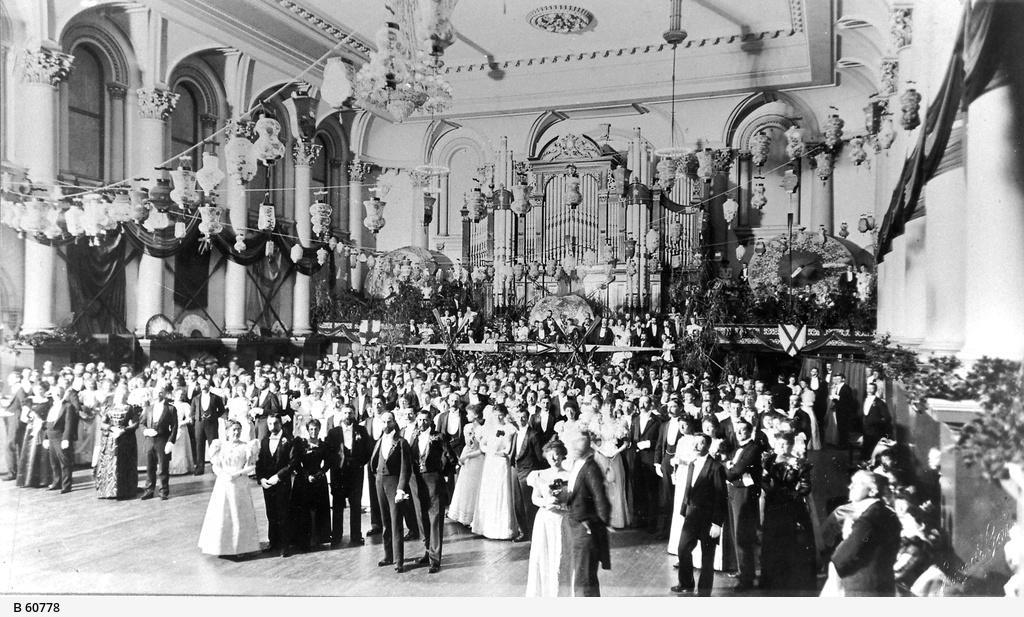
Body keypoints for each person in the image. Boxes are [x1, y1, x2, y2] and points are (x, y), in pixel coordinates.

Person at [823, 470, 902, 596]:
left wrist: (847, 538)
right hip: (882, 587)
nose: (850, 486)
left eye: (857, 483)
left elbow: (840, 559)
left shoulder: (869, 519)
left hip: (863, 589)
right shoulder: (886, 513)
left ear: (872, 491)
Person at [760, 432, 817, 595]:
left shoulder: (800, 463)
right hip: (773, 505)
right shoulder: (770, 460)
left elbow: (806, 487)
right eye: (779, 444)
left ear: (792, 445)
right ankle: (772, 580)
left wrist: (793, 495)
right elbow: (763, 479)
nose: (783, 448)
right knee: (772, 541)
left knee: (791, 542)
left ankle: (790, 580)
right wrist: (770, 490)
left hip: (792, 506)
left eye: (786, 444)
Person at [671, 433, 728, 597]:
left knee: (707, 558)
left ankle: (704, 593)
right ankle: (686, 584)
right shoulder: (692, 464)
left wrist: (717, 523)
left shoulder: (716, 467)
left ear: (708, 446)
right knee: (683, 549)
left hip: (708, 519)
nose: (695, 446)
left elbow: (720, 497)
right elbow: (688, 489)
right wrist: (684, 510)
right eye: (694, 443)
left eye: (700, 444)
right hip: (691, 516)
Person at [197, 420, 261, 557]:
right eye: (233, 429)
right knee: (223, 513)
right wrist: (223, 474)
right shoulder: (220, 446)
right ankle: (222, 547)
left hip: (239, 483)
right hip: (224, 482)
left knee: (239, 514)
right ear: (227, 431)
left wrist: (237, 474)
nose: (236, 432)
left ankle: (240, 548)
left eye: (238, 429)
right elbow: (215, 465)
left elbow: (251, 466)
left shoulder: (247, 447)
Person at [564, 428, 611, 597]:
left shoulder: (591, 467)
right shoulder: (578, 464)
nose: (575, 446)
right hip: (576, 526)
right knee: (583, 574)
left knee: (585, 577)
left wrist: (597, 525)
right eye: (574, 442)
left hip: (586, 528)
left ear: (587, 446)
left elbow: (600, 499)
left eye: (580, 443)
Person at [525, 439, 572, 597]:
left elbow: (575, 498)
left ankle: (564, 594)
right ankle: (546, 593)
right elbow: (534, 498)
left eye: (557, 455)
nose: (554, 458)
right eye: (551, 455)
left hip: (564, 519)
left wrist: (566, 504)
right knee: (545, 554)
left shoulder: (569, 475)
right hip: (545, 520)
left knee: (562, 554)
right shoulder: (540, 475)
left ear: (563, 456)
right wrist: (546, 503)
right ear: (546, 456)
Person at [408, 410, 451, 573]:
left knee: (435, 518)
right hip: (416, 481)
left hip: (433, 479)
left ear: (431, 421)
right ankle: (427, 551)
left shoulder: (439, 436)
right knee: (421, 516)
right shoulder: (413, 436)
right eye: (419, 420)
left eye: (425, 420)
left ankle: (435, 559)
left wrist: (441, 474)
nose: (422, 423)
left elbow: (449, 457)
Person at [370, 411, 412, 572]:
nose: (386, 425)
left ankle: (398, 560)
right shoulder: (380, 440)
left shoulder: (401, 442)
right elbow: (373, 463)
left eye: (389, 421)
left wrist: (401, 489)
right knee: (385, 521)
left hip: (394, 484)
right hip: (380, 482)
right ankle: (388, 555)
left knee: (396, 522)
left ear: (394, 423)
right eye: (384, 422)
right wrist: (377, 477)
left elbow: (405, 468)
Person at [324, 403, 371, 547]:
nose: (348, 416)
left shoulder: (361, 430)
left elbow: (368, 450)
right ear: (341, 415)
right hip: (339, 472)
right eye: (345, 413)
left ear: (354, 414)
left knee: (355, 504)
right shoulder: (334, 433)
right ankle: (336, 536)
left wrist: (359, 463)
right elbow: (328, 452)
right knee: (338, 504)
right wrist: (336, 464)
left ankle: (356, 536)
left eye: (350, 413)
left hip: (355, 472)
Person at [724, 419, 762, 591]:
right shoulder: (738, 448)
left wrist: (725, 466)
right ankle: (744, 571)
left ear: (750, 431)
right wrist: (730, 466)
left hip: (744, 494)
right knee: (736, 532)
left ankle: (747, 578)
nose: (739, 433)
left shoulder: (752, 448)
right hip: (734, 491)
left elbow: (736, 471)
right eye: (737, 430)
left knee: (743, 535)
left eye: (743, 430)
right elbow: (733, 468)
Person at [472, 403, 517, 540]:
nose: (498, 417)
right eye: (496, 415)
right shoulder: (488, 429)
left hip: (502, 462)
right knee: (489, 491)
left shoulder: (510, 429)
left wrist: (502, 453)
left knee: (501, 491)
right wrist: (490, 451)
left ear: (505, 414)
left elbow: (510, 448)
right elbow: (482, 444)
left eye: (501, 415)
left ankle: (503, 529)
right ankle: (487, 528)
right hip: (491, 462)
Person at [256, 414, 295, 557]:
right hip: (268, 484)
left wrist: (278, 477)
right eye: (270, 424)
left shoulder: (289, 440)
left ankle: (285, 545)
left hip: (281, 483)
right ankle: (273, 542)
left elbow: (292, 463)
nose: (272, 426)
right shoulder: (265, 440)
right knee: (270, 513)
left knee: (283, 513)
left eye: (275, 423)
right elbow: (260, 462)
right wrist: (261, 479)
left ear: (281, 424)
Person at [290, 418, 332, 551]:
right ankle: (304, 539)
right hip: (304, 479)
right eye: (311, 429)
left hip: (318, 479)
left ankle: (318, 537)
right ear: (308, 430)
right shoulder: (302, 444)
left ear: (319, 429)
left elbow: (328, 463)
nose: (314, 432)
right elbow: (296, 463)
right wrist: (306, 475)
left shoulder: (323, 445)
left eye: (316, 429)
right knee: (304, 510)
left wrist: (320, 474)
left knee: (318, 509)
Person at [591, 403, 631, 529]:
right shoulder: (597, 424)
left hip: (615, 456)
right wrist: (600, 451)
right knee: (602, 486)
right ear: (602, 410)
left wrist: (617, 452)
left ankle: (616, 520)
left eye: (610, 408)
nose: (608, 411)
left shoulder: (620, 423)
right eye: (605, 408)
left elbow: (626, 442)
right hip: (601, 456)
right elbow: (591, 441)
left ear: (614, 409)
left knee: (616, 485)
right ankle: (602, 519)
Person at [511, 405, 546, 542]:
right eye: (518, 417)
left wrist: (536, 474)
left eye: (523, 417)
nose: (521, 420)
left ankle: (532, 533)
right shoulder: (516, 433)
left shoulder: (533, 435)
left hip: (529, 471)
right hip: (517, 470)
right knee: (518, 504)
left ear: (527, 418)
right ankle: (524, 532)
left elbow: (539, 457)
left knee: (528, 505)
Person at [448, 403, 485, 526]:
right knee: (465, 485)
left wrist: (468, 455)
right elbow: (467, 444)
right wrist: (463, 456)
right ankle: (464, 516)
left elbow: (482, 449)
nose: (467, 415)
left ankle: (474, 518)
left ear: (476, 415)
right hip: (466, 456)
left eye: (469, 413)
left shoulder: (482, 429)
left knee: (475, 487)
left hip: (477, 459)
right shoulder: (467, 427)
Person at [94, 402, 140, 499]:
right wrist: (111, 428)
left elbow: (135, 423)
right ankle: (108, 491)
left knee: (123, 464)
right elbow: (102, 424)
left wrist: (124, 430)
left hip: (125, 439)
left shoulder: (130, 408)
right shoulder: (109, 407)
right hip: (111, 439)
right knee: (110, 464)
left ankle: (125, 491)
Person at [140, 386, 177, 501]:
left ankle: (163, 491)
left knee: (163, 468)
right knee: (150, 467)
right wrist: (146, 431)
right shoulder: (148, 408)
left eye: (161, 392)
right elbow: (142, 423)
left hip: (163, 439)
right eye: (156, 393)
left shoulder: (171, 408)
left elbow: (175, 427)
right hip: (150, 440)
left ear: (165, 393)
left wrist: (170, 442)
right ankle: (149, 490)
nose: (158, 395)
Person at [45, 380, 80, 493]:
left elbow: (69, 424)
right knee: (53, 462)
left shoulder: (67, 406)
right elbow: (48, 423)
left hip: (60, 436)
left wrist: (66, 439)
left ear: (63, 394)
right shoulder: (52, 406)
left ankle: (66, 485)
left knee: (64, 462)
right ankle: (57, 482)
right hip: (51, 436)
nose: (57, 395)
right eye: (55, 394)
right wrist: (46, 437)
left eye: (59, 393)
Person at [16, 381, 53, 489]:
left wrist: (43, 422)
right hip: (32, 430)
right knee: (31, 452)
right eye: (37, 389)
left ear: (46, 390)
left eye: (41, 389)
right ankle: (29, 480)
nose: (38, 391)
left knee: (43, 453)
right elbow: (23, 417)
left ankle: (44, 480)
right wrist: (31, 421)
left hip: (44, 429)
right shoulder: (29, 400)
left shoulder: (49, 401)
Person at [192, 378, 225, 475]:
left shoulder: (216, 398)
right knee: (199, 445)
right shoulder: (196, 398)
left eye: (206, 385)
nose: (204, 387)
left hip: (212, 424)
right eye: (202, 385)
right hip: (199, 424)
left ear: (209, 386)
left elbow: (222, 410)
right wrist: (198, 417)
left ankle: (215, 466)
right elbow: (192, 412)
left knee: (213, 445)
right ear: (200, 386)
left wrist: (214, 416)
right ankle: (199, 468)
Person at [861, 382, 893, 460]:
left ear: (875, 390)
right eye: (868, 388)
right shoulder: (864, 400)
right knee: (865, 449)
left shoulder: (879, 402)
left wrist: (875, 422)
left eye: (871, 388)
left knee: (872, 450)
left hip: (874, 431)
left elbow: (887, 418)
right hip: (865, 429)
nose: (869, 390)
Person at [168, 388, 194, 475]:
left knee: (180, 450)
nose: (180, 396)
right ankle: (171, 469)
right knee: (172, 449)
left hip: (181, 428)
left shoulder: (185, 405)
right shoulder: (169, 405)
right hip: (170, 429)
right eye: (178, 394)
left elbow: (189, 419)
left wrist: (179, 423)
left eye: (182, 394)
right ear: (174, 394)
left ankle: (181, 469)